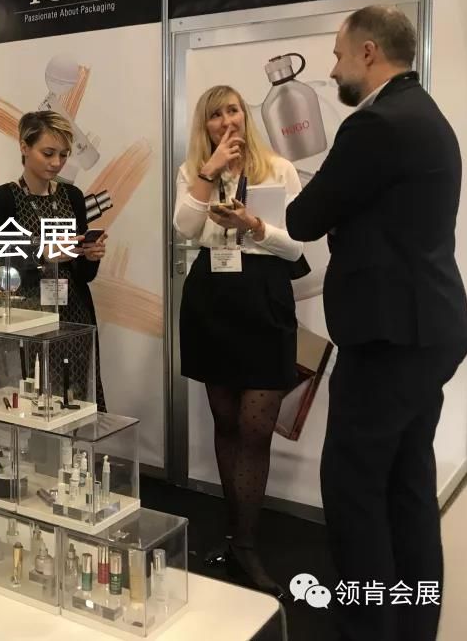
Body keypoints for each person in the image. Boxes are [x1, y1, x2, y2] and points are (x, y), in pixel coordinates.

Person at [286, 6, 467, 641]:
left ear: (368, 52)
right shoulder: (427, 115)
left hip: (390, 337)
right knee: (407, 482)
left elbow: (304, 217)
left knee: (353, 487)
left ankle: (366, 629)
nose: (334, 68)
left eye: (339, 55)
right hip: (429, 329)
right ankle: (413, 627)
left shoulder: (375, 124)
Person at [174, 85, 306, 598]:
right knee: (226, 423)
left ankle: (247, 545)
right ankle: (235, 536)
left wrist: (254, 225)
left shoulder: (278, 169)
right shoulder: (194, 172)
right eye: (214, 115)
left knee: (256, 429)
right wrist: (209, 173)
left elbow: (295, 246)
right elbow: (185, 228)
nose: (225, 120)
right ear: (204, 126)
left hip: (264, 297)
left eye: (232, 110)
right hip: (213, 298)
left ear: (245, 116)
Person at [0, 110, 108, 411]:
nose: (56, 163)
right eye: (48, 153)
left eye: (63, 155)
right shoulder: (3, 199)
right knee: (27, 402)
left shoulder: (72, 197)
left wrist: (90, 256)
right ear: (24, 147)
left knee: (74, 398)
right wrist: (42, 255)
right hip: (24, 315)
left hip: (72, 315)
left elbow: (84, 275)